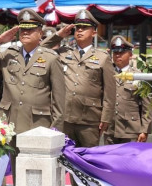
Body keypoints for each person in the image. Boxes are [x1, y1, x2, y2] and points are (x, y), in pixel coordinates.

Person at [0, 8, 65, 183]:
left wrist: (56, 129)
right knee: (11, 170)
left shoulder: (51, 58)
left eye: (30, 29)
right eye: (23, 29)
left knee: (37, 172)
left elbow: (59, 98)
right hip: (10, 121)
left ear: (40, 32)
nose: (25, 33)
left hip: (38, 124)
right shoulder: (8, 54)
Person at [41, 10, 116, 146]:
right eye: (78, 27)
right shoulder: (63, 52)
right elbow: (41, 49)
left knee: (87, 159)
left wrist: (106, 118)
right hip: (65, 117)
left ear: (94, 32)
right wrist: (58, 35)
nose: (80, 30)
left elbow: (109, 92)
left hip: (89, 119)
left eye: (85, 28)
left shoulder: (102, 58)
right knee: (64, 159)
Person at [104, 35, 152, 145]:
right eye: (115, 52)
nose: (118, 55)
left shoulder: (138, 75)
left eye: (121, 52)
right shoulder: (107, 73)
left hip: (131, 130)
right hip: (110, 128)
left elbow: (147, 106)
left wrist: (145, 130)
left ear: (130, 55)